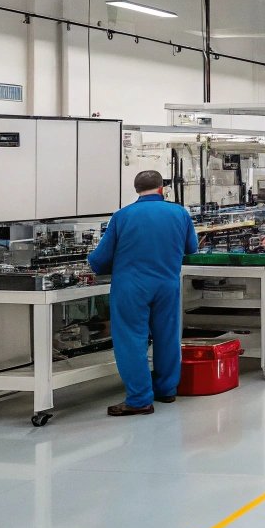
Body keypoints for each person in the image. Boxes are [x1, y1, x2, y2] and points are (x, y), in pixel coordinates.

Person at [88, 170, 199, 417]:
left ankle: (139, 399)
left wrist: (94, 260)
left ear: (136, 190)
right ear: (162, 188)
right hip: (167, 285)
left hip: (132, 287)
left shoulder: (122, 216)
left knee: (131, 341)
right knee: (167, 336)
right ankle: (167, 389)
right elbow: (192, 248)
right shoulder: (180, 213)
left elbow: (99, 260)